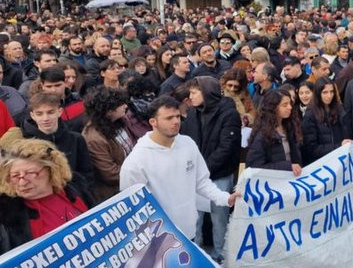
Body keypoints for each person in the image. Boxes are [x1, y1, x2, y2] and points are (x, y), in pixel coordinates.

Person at [120, 96, 240, 258]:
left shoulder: (188, 144)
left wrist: (225, 198)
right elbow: (133, 207)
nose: (176, 121)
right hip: (159, 242)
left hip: (189, 232)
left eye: (177, 116)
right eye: (169, 118)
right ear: (153, 122)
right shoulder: (137, 160)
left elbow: (202, 182)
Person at [181, 76, 241, 262]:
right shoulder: (192, 113)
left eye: (194, 92)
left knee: (219, 218)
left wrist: (203, 171)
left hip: (219, 174)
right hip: (195, 176)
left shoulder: (229, 113)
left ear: (207, 92)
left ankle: (221, 256)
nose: (190, 97)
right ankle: (195, 255)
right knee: (195, 218)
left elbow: (226, 147)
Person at [0, 139, 93, 255]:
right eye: (15, 176)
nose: (22, 182)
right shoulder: (6, 216)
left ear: (52, 170)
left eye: (31, 173)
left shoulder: (76, 190)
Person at [21, 92, 94, 190]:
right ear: (32, 115)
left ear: (60, 112)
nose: (45, 118)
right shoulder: (24, 145)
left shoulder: (76, 139)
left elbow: (87, 173)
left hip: (76, 196)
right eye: (39, 114)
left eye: (50, 112)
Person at [81, 86, 134, 202]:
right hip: (116, 194)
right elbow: (110, 174)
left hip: (131, 182)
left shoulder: (119, 122)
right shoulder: (93, 138)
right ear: (109, 111)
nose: (125, 106)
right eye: (121, 104)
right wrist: (139, 171)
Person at [246, 89, 303, 174]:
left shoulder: (289, 126)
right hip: (274, 182)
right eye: (285, 105)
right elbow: (254, 167)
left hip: (292, 179)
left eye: (290, 103)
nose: (290, 107)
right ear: (273, 107)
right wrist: (287, 166)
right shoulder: (262, 136)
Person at [301, 78, 349, 164]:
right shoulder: (310, 115)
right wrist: (338, 146)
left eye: (331, 92)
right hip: (322, 163)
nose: (329, 95)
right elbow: (311, 148)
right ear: (318, 94)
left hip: (340, 160)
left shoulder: (339, 109)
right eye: (325, 92)